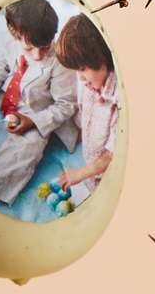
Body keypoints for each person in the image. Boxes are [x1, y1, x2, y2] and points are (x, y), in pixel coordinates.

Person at [0, 0, 78, 207]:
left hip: (35, 113)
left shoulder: (59, 62)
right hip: (8, 97)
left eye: (45, 47)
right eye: (30, 48)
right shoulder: (10, 43)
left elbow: (66, 105)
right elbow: (0, 67)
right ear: (14, 33)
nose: (38, 55)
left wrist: (34, 122)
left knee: (28, 147)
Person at [52, 11, 121, 207]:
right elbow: (82, 113)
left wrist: (80, 174)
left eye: (83, 68)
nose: (80, 77)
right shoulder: (88, 84)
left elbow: (111, 155)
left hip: (106, 175)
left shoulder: (117, 102)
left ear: (103, 59)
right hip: (92, 166)